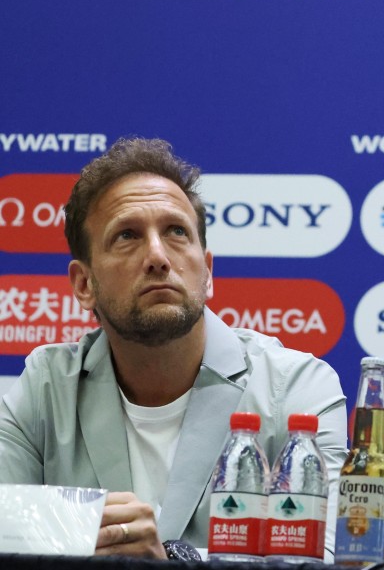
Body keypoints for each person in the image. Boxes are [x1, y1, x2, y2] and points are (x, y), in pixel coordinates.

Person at [0, 137, 347, 559]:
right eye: (127, 235)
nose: (158, 256)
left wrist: (174, 561)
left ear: (208, 272)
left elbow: (329, 558)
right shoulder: (47, 386)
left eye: (177, 232)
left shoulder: (296, 388)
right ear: (84, 284)